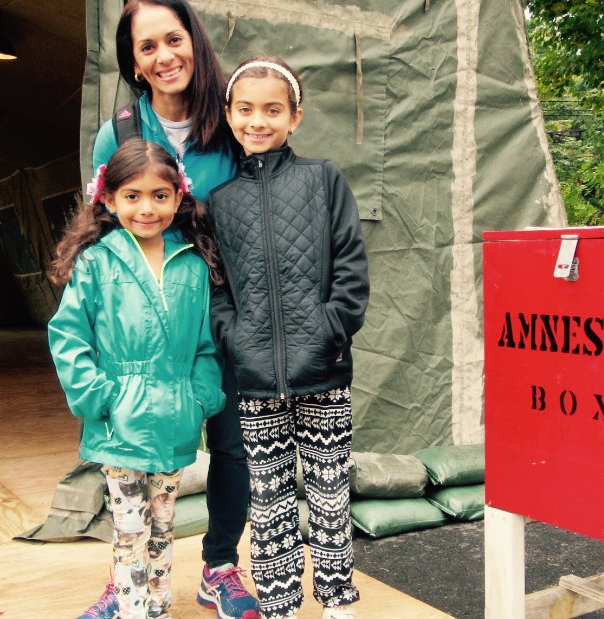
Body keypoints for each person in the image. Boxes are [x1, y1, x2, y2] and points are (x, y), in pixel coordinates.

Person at [80, 2, 259, 619]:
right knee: (130, 451)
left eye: (173, 39)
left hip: (227, 310)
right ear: (133, 61)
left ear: (194, 41)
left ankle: (220, 567)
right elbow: (101, 228)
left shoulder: (235, 121)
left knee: (232, 443)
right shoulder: (121, 133)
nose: (165, 56)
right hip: (148, 320)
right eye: (147, 46)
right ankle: (125, 575)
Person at [209, 57, 370, 619]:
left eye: (272, 109)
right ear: (230, 117)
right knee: (269, 499)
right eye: (246, 109)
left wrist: (332, 328)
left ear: (295, 117)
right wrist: (234, 338)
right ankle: (278, 605)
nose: (259, 120)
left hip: (323, 371)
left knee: (329, 496)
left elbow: (351, 264)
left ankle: (337, 603)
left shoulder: (323, 178)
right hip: (254, 381)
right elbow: (219, 286)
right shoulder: (221, 202)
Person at [48, 139, 226, 619]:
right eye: (132, 195)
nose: (147, 208)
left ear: (178, 197)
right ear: (107, 199)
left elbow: (206, 346)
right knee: (129, 531)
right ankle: (131, 611)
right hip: (118, 425)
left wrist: (201, 396)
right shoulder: (97, 263)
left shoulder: (192, 263)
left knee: (165, 526)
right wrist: (96, 397)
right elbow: (68, 334)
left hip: (175, 420)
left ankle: (158, 608)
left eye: (159, 195)